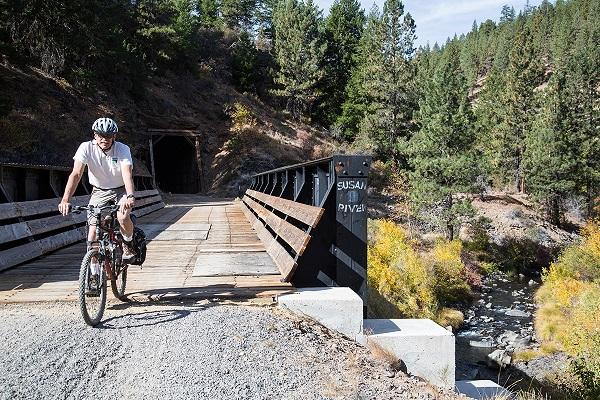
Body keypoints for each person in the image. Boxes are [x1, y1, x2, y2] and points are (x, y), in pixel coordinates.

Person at [58, 117, 137, 265]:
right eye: (101, 135)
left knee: (122, 217)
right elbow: (76, 174)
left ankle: (127, 243)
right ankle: (93, 275)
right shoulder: (86, 148)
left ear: (114, 136)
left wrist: (130, 196)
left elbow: (127, 174)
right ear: (95, 135)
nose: (104, 139)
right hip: (99, 191)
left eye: (108, 136)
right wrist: (65, 199)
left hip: (121, 190)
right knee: (93, 233)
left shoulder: (122, 149)